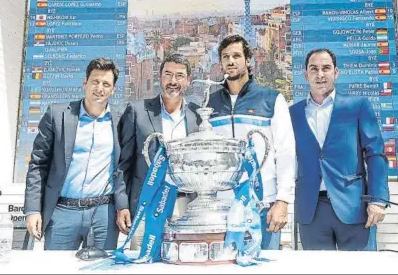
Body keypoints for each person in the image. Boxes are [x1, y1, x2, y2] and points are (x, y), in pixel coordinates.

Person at [289, 48, 389, 250]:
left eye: (326, 68)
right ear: (305, 74)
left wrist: (378, 200)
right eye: (314, 69)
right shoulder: (292, 113)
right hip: (311, 210)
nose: (320, 74)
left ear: (336, 72)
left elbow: (375, 154)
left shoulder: (357, 106)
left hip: (354, 208)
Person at [24, 57, 124, 250]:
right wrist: (33, 209)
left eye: (106, 84)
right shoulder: (58, 114)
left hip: (104, 214)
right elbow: (38, 164)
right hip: (63, 212)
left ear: (113, 89)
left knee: (102, 269)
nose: (99, 88)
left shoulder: (122, 119)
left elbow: (125, 166)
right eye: (95, 81)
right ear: (85, 82)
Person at [208, 35, 296, 250]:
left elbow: (285, 152)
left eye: (237, 56)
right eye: (225, 57)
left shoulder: (272, 99)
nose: (231, 61)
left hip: (263, 204)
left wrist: (282, 201)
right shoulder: (209, 104)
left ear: (248, 61)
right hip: (223, 206)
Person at [116, 54, 200, 249]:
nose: (173, 81)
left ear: (188, 81)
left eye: (179, 76)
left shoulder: (198, 116)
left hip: (185, 206)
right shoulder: (137, 111)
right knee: (142, 264)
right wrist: (122, 205)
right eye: (167, 74)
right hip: (146, 206)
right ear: (159, 78)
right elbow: (123, 165)